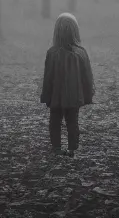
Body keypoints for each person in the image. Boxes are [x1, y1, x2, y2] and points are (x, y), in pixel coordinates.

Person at [40, 13, 95, 157]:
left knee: (55, 122)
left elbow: (48, 77)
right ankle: (72, 148)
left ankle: (57, 148)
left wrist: (46, 96)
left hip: (56, 97)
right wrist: (88, 95)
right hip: (74, 96)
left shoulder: (52, 53)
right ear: (75, 31)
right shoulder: (81, 53)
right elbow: (87, 78)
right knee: (72, 122)